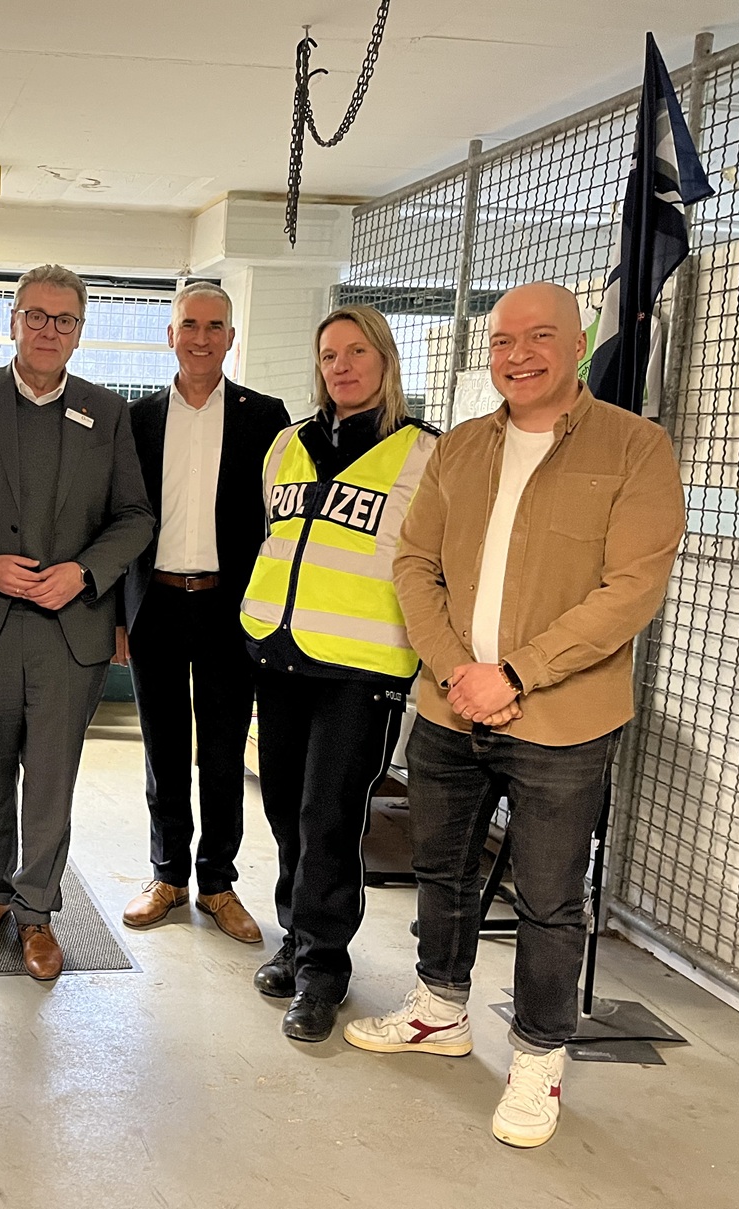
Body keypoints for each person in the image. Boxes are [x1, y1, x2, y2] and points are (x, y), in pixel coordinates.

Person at [345, 283, 685, 1148]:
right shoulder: (461, 447)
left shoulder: (635, 447)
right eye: (502, 340)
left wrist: (516, 674)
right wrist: (455, 669)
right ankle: (439, 1008)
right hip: (450, 704)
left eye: (539, 337)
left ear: (577, 345)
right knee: (441, 868)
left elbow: (632, 588)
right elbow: (414, 562)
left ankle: (538, 1053)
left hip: (564, 718)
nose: (518, 354)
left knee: (549, 895)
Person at [0, 264, 154, 981]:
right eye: (36, 315)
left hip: (69, 630)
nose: (49, 330)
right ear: (13, 321)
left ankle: (37, 913)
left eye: (64, 319)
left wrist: (83, 571)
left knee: (51, 782)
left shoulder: (106, 411)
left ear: (79, 332)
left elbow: (135, 517)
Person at [239, 304, 439, 1042]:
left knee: (330, 815)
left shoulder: (424, 452)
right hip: (280, 655)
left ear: (385, 359)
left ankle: (324, 967)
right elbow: (273, 537)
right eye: (329, 355)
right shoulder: (287, 444)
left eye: (357, 352)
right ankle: (296, 935)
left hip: (362, 668)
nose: (342, 366)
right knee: (284, 805)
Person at [118, 282, 290, 941]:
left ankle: (217, 881)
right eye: (189, 324)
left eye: (215, 326)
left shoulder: (266, 417)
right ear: (170, 335)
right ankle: (168, 875)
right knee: (163, 750)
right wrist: (117, 617)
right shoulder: (136, 419)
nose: (201, 337)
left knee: (222, 754)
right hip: (155, 603)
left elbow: (279, 520)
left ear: (230, 338)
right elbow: (119, 520)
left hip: (229, 607)